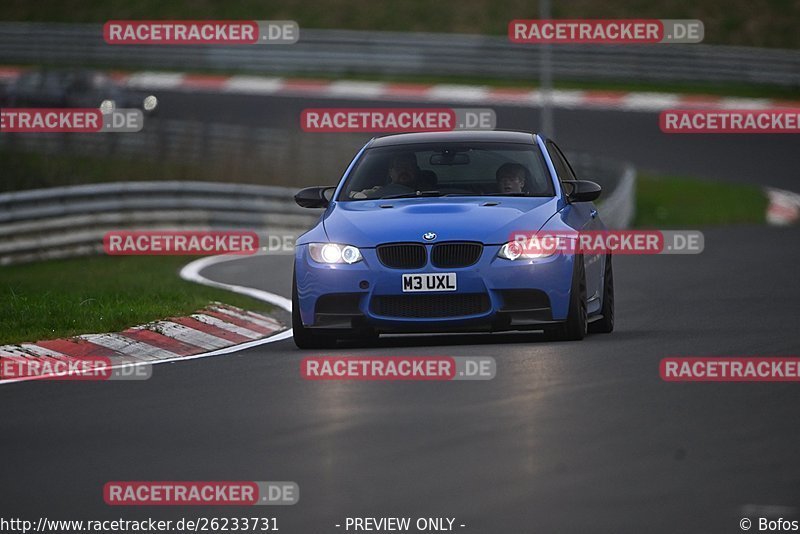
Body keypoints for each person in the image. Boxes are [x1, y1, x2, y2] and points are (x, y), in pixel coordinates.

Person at [353, 152, 421, 199]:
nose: (404, 170)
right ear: (390, 172)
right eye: (399, 167)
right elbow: (350, 195)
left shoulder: (429, 191)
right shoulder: (377, 192)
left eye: (409, 167)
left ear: (416, 170)